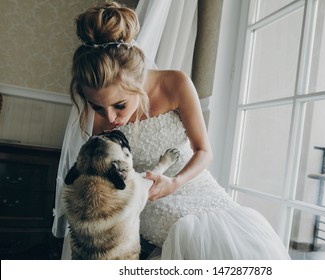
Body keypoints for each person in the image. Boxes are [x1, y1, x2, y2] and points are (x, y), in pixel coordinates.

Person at [53, 1, 290, 259]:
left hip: (194, 183)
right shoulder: (93, 114)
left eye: (120, 105)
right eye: (98, 107)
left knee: (238, 240)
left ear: (137, 84)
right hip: (151, 198)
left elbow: (204, 151)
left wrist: (175, 182)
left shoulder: (175, 83)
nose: (110, 118)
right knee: (190, 235)